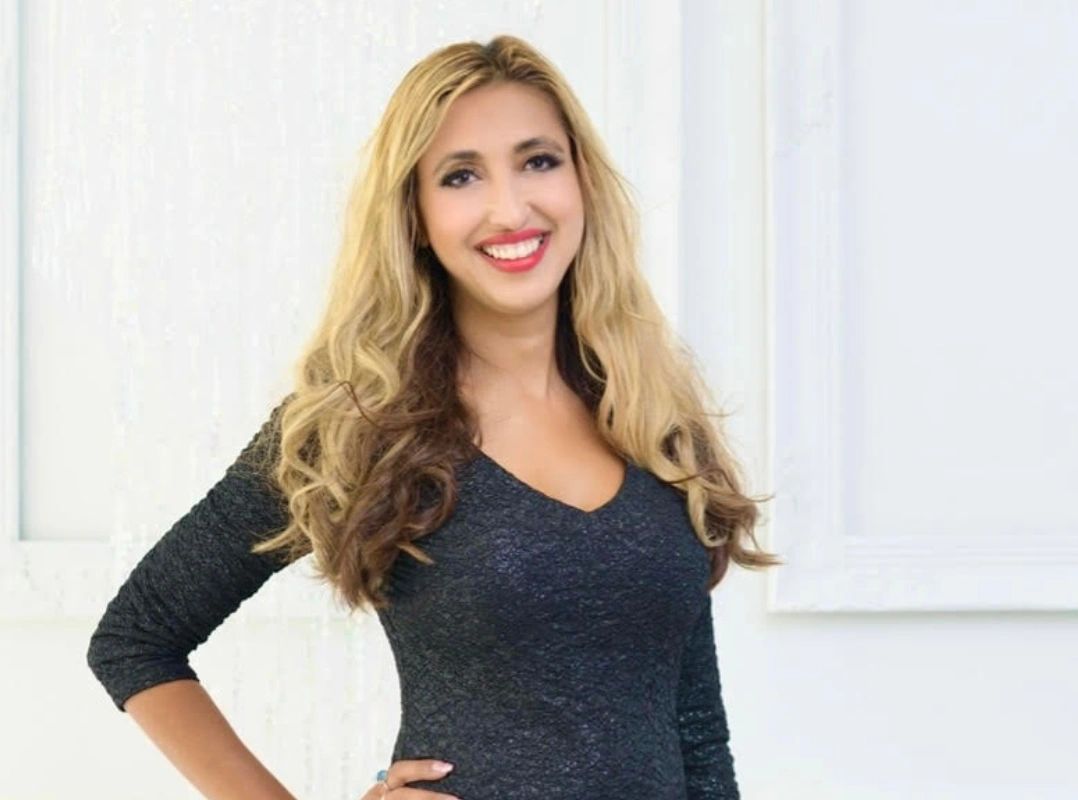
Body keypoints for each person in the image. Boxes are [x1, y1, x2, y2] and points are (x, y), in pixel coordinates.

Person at [86, 34, 782, 799]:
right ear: (414, 215)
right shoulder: (358, 425)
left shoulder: (653, 417)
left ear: (582, 180)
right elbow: (137, 638)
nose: (510, 208)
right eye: (461, 176)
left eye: (538, 161)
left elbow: (696, 730)